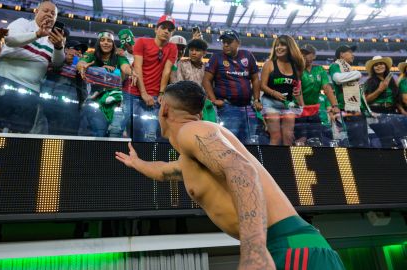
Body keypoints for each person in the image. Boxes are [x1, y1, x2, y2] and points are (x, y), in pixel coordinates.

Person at [116, 81, 345, 270]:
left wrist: (254, 250)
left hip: (287, 246)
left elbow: (242, 170)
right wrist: (136, 163)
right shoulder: (193, 153)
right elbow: (165, 172)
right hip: (289, 245)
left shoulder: (192, 131)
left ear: (164, 108)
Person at [0, 0, 65, 133]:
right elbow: (10, 40)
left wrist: (59, 47)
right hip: (4, 82)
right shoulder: (22, 23)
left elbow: (57, 64)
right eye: (46, 11)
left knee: (19, 134)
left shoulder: (56, 38)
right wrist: (37, 35)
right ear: (36, 11)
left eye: (53, 13)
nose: (49, 15)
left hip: (31, 91)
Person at [122, 14, 177, 141]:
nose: (166, 31)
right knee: (129, 131)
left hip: (153, 94)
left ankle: (145, 161)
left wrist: (162, 93)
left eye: (170, 30)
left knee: (150, 134)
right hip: (132, 92)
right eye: (163, 27)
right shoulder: (142, 42)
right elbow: (137, 68)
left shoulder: (172, 48)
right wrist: (143, 93)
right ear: (156, 29)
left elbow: (166, 71)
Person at [202, 29, 260, 144]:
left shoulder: (247, 55)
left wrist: (257, 99)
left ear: (238, 42)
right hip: (228, 107)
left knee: (249, 142)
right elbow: (206, 80)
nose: (226, 44)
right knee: (231, 142)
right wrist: (213, 100)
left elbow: (255, 79)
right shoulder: (216, 57)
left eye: (229, 41)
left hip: (248, 107)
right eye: (223, 42)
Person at [77, 30, 135, 137]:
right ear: (98, 42)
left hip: (117, 103)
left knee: (115, 133)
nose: (105, 43)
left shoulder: (119, 57)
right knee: (99, 133)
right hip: (97, 102)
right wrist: (82, 66)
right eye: (102, 40)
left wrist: (132, 72)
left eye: (109, 41)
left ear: (113, 44)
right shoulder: (91, 54)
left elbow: (125, 67)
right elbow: (81, 63)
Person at [260, 35, 304, 146]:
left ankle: (287, 162)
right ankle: (273, 162)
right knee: (276, 136)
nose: (278, 48)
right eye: (277, 45)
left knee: (288, 137)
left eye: (282, 45)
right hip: (270, 103)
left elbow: (298, 88)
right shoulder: (269, 64)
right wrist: (274, 93)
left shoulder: (296, 66)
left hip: (289, 104)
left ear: (290, 47)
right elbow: (262, 86)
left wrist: (299, 98)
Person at [296, 44, 339, 145]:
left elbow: (327, 88)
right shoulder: (297, 70)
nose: (303, 56)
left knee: (316, 140)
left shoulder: (320, 70)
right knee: (301, 140)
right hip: (298, 109)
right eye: (301, 53)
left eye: (306, 53)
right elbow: (298, 89)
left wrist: (335, 105)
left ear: (314, 56)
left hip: (313, 110)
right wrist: (303, 108)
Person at [329, 45, 369, 147]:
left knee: (364, 141)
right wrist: (357, 74)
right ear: (341, 54)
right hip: (349, 109)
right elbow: (337, 78)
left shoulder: (349, 69)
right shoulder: (335, 65)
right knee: (357, 142)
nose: (353, 55)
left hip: (358, 109)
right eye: (350, 52)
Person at [171, 38, 216, 123]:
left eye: (197, 50)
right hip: (186, 105)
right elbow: (179, 85)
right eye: (191, 50)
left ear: (204, 53)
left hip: (205, 105)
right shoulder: (182, 64)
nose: (193, 53)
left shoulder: (207, 67)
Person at [363, 56, 404, 147]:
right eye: (376, 65)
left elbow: (396, 98)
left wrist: (402, 111)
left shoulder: (392, 80)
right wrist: (380, 89)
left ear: (385, 66)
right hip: (377, 112)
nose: (379, 66)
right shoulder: (370, 82)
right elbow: (365, 100)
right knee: (387, 141)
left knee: (399, 140)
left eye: (381, 64)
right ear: (373, 68)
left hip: (392, 112)